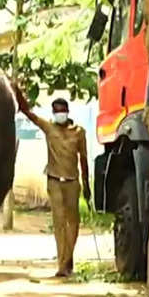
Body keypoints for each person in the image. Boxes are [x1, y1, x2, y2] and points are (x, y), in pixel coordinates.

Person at [11, 81, 91, 277]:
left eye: (62, 110)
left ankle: (68, 258)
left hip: (73, 182)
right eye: (56, 111)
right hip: (54, 181)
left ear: (67, 111)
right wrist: (17, 92)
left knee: (73, 223)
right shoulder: (48, 127)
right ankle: (62, 265)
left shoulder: (79, 132)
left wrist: (87, 185)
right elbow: (28, 113)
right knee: (59, 222)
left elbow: (84, 158)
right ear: (53, 113)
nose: (59, 114)